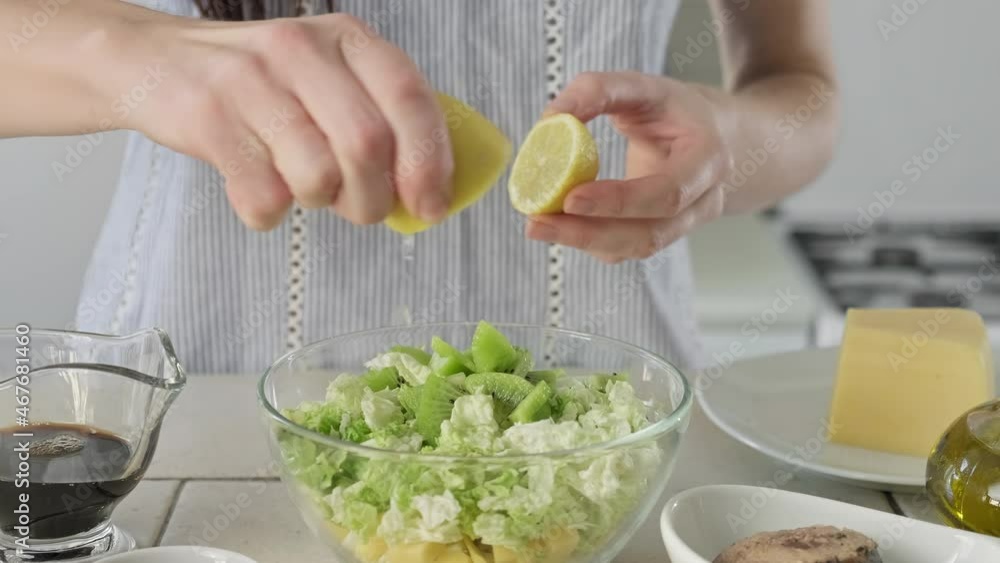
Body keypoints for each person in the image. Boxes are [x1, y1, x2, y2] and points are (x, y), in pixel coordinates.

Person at [2, 0, 838, 374]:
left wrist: (729, 146)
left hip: (609, 428)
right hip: (196, 410)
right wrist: (129, 55)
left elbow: (801, 92)